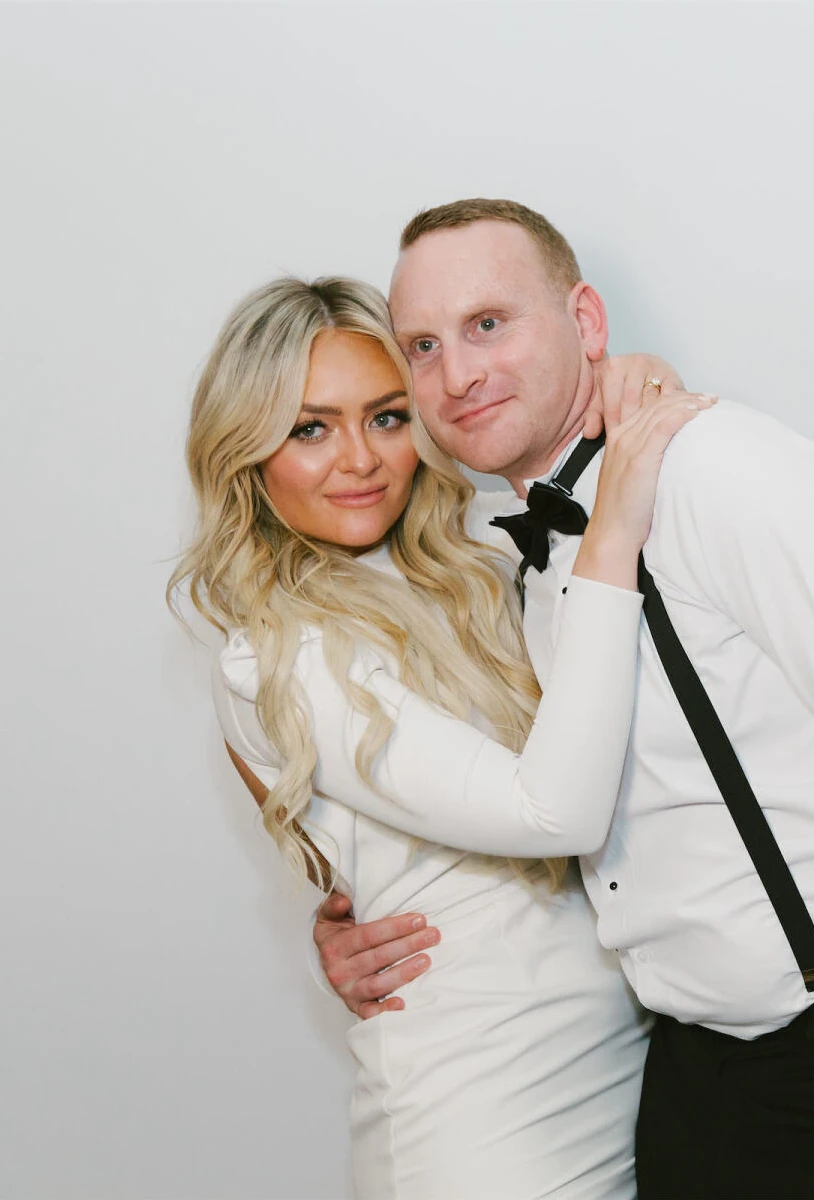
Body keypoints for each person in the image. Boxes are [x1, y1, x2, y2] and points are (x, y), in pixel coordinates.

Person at [315, 199, 814, 1199]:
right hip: (692, 1083)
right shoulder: (507, 558)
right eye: (425, 345)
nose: (459, 373)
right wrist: (352, 904)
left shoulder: (728, 475)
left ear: (585, 322)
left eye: (490, 324)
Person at [169, 273, 712, 1198]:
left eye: (385, 416)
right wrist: (613, 528)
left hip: (635, 1067)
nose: (359, 459)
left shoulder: (485, 564)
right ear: (245, 454)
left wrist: (635, 385)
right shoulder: (273, 661)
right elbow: (551, 817)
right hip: (483, 1123)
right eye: (310, 427)